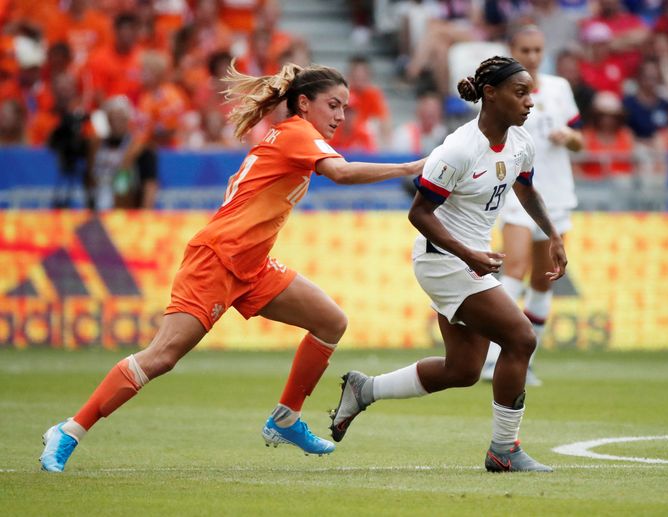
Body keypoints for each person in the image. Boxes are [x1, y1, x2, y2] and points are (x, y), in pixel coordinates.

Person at [39, 62, 425, 472]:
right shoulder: (298, 133)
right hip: (218, 259)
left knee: (330, 321)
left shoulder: (295, 136)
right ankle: (69, 430)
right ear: (304, 103)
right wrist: (409, 167)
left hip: (252, 264)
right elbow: (342, 173)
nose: (340, 116)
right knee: (162, 356)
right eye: (333, 105)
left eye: (345, 108)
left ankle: (286, 418)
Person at [330, 56, 568, 472]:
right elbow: (419, 214)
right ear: (490, 95)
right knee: (521, 339)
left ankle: (364, 389)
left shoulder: (520, 141)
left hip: (468, 261)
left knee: (463, 369)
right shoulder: (458, 149)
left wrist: (553, 235)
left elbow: (526, 189)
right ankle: (504, 450)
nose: (530, 102)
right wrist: (470, 255)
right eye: (520, 92)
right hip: (443, 262)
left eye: (531, 92)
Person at [480, 26, 582, 386]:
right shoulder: (498, 91)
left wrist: (569, 137)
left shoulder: (558, 89)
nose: (533, 56)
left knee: (543, 281)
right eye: (525, 49)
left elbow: (579, 142)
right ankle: (493, 358)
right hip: (515, 192)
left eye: (538, 49)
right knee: (514, 267)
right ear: (512, 50)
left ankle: (525, 360)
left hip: (555, 196)